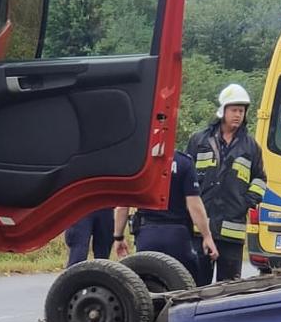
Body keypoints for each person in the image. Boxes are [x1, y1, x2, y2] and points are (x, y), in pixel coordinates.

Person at [186, 83, 266, 283]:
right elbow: (186, 176)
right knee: (197, 284)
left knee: (229, 287)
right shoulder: (199, 140)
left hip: (232, 230)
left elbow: (260, 178)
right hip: (200, 228)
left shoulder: (251, 147)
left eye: (242, 110)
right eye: (234, 110)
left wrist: (246, 201)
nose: (238, 115)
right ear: (223, 111)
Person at [112, 149, 218, 283]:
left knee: (147, 285)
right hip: (178, 237)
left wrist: (118, 237)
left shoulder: (138, 161)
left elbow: (123, 205)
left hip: (147, 235)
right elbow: (194, 204)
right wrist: (207, 236)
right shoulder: (183, 162)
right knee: (185, 285)